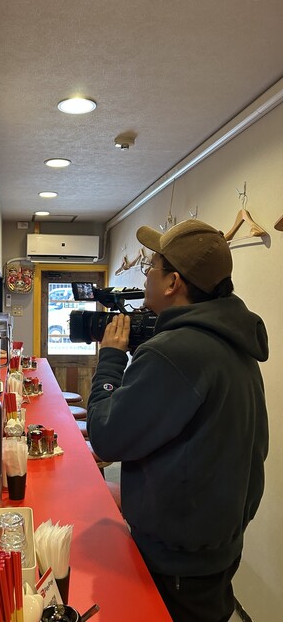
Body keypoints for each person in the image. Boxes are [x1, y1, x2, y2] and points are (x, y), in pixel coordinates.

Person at [87, 219, 269, 622]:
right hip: (216, 544)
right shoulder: (235, 343)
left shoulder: (175, 351)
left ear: (173, 282)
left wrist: (111, 358)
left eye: (151, 266)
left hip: (177, 555)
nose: (145, 275)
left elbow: (106, 436)